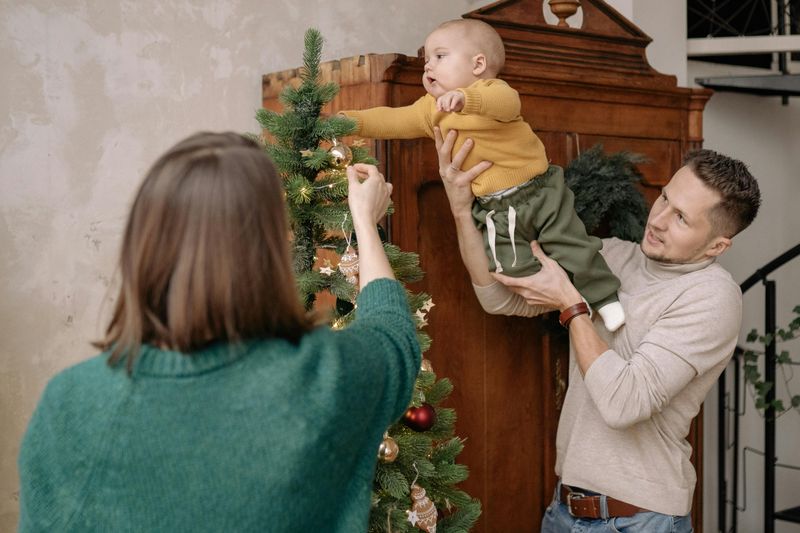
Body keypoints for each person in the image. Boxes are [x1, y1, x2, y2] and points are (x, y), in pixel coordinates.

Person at [17, 132, 421, 532]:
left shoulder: (68, 404)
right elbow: (393, 337)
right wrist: (365, 224)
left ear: (145, 246)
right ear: (269, 251)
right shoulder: (325, 377)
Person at [434, 127, 761, 532]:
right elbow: (498, 298)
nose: (657, 220)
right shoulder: (611, 255)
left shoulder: (712, 297)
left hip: (640, 521)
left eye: (681, 218)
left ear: (716, 246)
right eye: (664, 199)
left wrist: (571, 304)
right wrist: (462, 211)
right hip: (564, 510)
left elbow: (624, 403)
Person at [340, 18, 626, 331]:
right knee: (508, 266)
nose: (427, 67)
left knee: (571, 243)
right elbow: (392, 120)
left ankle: (604, 297)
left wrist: (466, 100)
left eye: (440, 56)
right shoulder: (430, 109)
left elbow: (503, 103)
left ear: (478, 64)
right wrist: (349, 122)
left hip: (541, 191)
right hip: (495, 207)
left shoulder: (492, 92)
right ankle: (561, 298)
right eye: (426, 61)